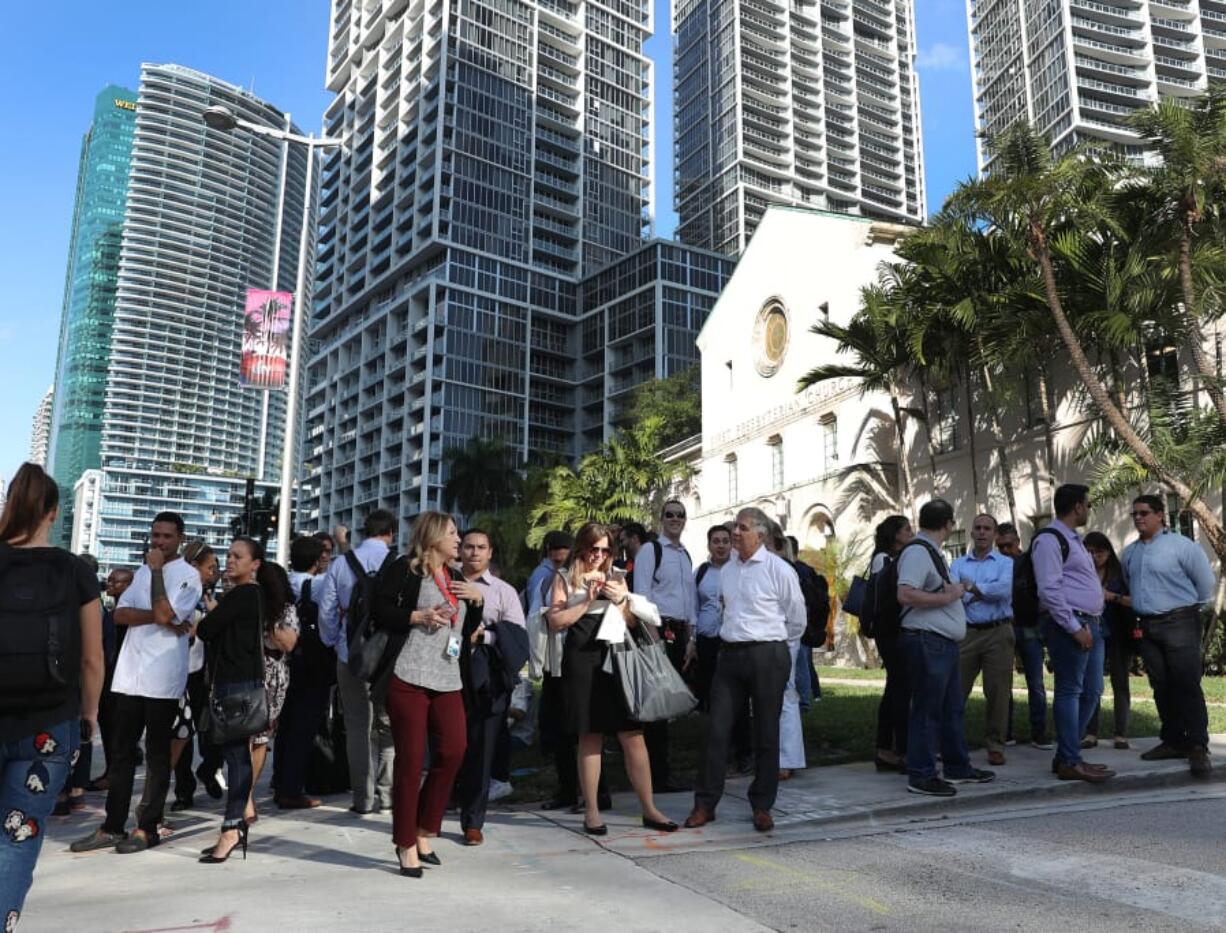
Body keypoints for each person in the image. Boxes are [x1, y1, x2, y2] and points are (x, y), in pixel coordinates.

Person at [0, 463, 103, 928]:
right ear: (54, 513)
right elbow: (91, 659)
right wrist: (89, 715)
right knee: (16, 839)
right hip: (49, 725)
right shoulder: (75, 571)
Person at [71, 512, 202, 854]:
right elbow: (121, 614)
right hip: (130, 675)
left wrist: (160, 584)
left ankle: (147, 827)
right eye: (155, 534)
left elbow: (165, 613)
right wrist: (162, 618)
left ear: (180, 539)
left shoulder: (187, 576)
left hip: (162, 678)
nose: (159, 542)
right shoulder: (141, 572)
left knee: (158, 755)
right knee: (120, 754)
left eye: (167, 536)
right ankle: (112, 825)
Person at [548, 523, 678, 836]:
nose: (599, 556)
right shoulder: (564, 577)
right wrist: (585, 601)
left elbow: (634, 622)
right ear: (582, 547)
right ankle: (591, 811)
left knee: (632, 734)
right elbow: (555, 621)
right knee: (589, 735)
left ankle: (649, 808)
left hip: (616, 658)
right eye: (594, 549)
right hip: (581, 659)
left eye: (606, 550)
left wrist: (622, 600)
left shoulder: (617, 575)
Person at [685, 507, 806, 833]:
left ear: (760, 534)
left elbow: (796, 619)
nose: (734, 532)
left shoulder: (779, 569)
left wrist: (776, 645)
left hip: (768, 653)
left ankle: (762, 806)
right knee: (716, 729)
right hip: (730, 656)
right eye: (733, 527)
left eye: (741, 527)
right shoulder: (727, 571)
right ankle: (705, 804)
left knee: (767, 732)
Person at [370, 511, 476, 878]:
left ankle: (424, 828)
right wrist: (417, 616)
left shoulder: (457, 577)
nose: (458, 539)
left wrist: (475, 600)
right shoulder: (407, 569)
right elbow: (379, 609)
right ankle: (405, 843)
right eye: (452, 533)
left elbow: (465, 628)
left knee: (454, 750)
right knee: (411, 762)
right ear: (433, 537)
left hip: (447, 677)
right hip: (407, 675)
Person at [195, 537, 286, 863]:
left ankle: (232, 827)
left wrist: (212, 613)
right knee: (236, 754)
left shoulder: (245, 593)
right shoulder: (252, 596)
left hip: (236, 684)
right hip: (239, 682)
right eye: (228, 555)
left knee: (236, 756)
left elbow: (206, 630)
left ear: (255, 565)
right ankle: (234, 824)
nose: (230, 561)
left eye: (237, 556)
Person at [899, 499, 995, 797]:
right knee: (928, 710)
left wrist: (955, 592)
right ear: (949, 524)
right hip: (927, 641)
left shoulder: (931, 552)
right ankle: (922, 774)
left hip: (943, 643)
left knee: (952, 708)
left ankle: (956, 766)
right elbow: (905, 594)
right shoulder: (917, 552)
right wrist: (951, 595)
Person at [1122, 495, 1216, 776]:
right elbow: (1131, 585)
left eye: (1145, 513)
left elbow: (1205, 584)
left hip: (1180, 623)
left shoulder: (1182, 546)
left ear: (1161, 515)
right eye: (1135, 514)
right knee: (1160, 686)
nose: (1139, 518)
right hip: (1147, 626)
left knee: (1186, 683)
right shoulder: (1130, 553)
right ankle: (1174, 740)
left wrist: (1185, 611)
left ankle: (1198, 746)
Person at [317, 509, 397, 815]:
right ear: (390, 533)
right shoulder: (398, 562)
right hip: (388, 656)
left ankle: (362, 799)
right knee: (389, 724)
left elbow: (327, 609)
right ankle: (387, 794)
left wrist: (333, 641)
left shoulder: (341, 564)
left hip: (351, 654)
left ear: (364, 532)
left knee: (357, 726)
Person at [1035, 484, 1112, 783]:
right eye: (1088, 504)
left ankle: (1067, 755)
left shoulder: (1074, 539)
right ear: (1078, 506)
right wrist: (1073, 627)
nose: (1089, 509)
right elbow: (1049, 588)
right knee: (1070, 690)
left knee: (1093, 691)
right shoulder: (1049, 539)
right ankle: (1069, 759)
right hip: (1071, 624)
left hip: (1091, 622)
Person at [455, 529, 528, 845]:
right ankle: (438, 805)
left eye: (480, 547)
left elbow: (516, 638)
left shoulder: (503, 592)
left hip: (487, 677)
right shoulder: (446, 582)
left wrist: (484, 636)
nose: (473, 552)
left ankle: (473, 821)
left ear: (490, 552)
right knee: (449, 744)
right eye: (468, 546)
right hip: (447, 670)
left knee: (483, 749)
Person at [530, 531, 608, 813]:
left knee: (585, 729)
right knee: (566, 729)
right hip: (557, 658)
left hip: (581, 658)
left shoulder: (599, 577)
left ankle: (594, 794)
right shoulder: (550, 578)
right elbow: (545, 618)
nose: (560, 554)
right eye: (556, 550)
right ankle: (573, 791)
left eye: (565, 549)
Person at [633, 500, 695, 794]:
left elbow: (690, 598)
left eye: (679, 515)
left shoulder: (685, 555)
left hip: (681, 634)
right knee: (658, 708)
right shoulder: (650, 550)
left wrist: (692, 638)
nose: (674, 519)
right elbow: (642, 596)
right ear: (661, 519)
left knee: (670, 704)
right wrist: (653, 636)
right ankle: (657, 776)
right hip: (658, 632)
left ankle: (662, 771)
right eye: (669, 514)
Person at [950, 514, 1015, 766]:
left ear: (995, 534)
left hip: (998, 632)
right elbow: (953, 592)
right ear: (971, 532)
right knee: (956, 691)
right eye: (977, 527)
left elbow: (1004, 591)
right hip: (966, 632)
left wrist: (972, 588)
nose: (981, 532)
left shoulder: (1004, 563)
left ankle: (996, 745)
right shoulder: (958, 564)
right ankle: (951, 743)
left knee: (998, 692)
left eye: (987, 528)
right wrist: (982, 591)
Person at [273, 535, 331, 808]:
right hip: (312, 660)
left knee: (285, 723)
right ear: (317, 560)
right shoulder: (318, 584)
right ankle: (291, 787)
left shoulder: (282, 582)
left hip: (285, 659)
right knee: (304, 726)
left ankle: (279, 777)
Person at [169, 541, 221, 812]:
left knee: (211, 732)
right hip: (180, 672)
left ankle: (209, 769)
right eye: (210, 567)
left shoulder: (212, 596)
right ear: (194, 566)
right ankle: (184, 790)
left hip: (205, 673)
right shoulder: (181, 592)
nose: (214, 572)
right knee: (182, 734)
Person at [246, 562, 299, 823]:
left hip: (271, 674)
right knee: (244, 737)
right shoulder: (242, 602)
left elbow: (288, 642)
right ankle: (243, 795)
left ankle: (247, 795)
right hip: (243, 671)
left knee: (260, 739)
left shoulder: (285, 610)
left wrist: (267, 618)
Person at [997, 522, 1050, 750]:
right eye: (1000, 547)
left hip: (1029, 626)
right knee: (1002, 683)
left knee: (1035, 682)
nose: (1005, 550)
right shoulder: (997, 564)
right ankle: (1004, 731)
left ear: (1017, 541)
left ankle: (1039, 732)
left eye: (1008, 545)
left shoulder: (1029, 562)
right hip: (1005, 626)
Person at [1083, 531, 1136, 751]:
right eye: (1090, 551)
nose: (1095, 556)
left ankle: (1120, 734)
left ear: (1108, 551)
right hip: (1091, 632)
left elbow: (1135, 601)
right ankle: (1090, 732)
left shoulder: (1120, 573)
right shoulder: (1081, 573)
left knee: (1120, 682)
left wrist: (1111, 596)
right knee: (1092, 685)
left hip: (1119, 633)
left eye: (1100, 551)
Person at [869, 515, 913, 772]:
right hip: (889, 631)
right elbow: (887, 596)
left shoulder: (897, 558)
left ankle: (887, 748)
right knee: (900, 689)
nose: (910, 532)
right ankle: (900, 749)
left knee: (896, 689)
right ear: (894, 534)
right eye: (906, 529)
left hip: (896, 631)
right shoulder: (883, 559)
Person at [763, 524, 805, 781]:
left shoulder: (782, 570)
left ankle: (787, 759)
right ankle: (774, 757)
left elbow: (796, 617)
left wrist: (785, 642)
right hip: (766, 642)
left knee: (786, 697)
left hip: (783, 642)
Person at [88, 567, 134, 792]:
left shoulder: (127, 614)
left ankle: (114, 772)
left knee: (114, 727)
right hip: (109, 676)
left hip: (120, 678)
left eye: (116, 582)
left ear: (128, 585)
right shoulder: (113, 610)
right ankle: (111, 769)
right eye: (110, 580)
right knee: (108, 726)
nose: (110, 584)